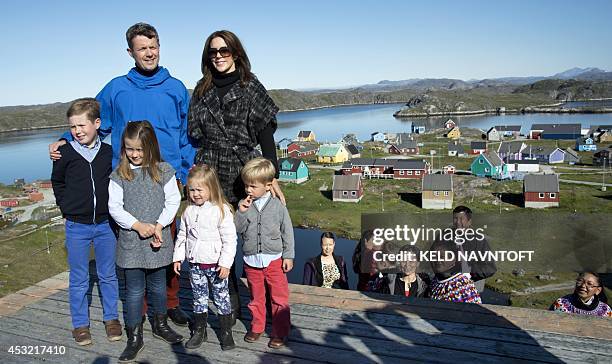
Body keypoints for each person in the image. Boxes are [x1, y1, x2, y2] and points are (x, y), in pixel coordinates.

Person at [49, 22, 193, 327]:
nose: (149, 53)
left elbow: (185, 135)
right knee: (131, 245)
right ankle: (137, 308)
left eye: (153, 46)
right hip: (128, 180)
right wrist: (65, 137)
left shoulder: (176, 88)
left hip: (167, 178)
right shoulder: (117, 88)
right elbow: (92, 120)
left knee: (165, 241)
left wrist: (186, 170)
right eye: (142, 48)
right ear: (131, 52)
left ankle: (170, 304)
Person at [188, 29, 285, 322]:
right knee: (216, 242)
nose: (218, 56)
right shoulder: (201, 89)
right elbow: (194, 133)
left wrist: (272, 176)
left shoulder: (250, 85)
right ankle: (229, 306)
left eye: (224, 51)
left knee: (254, 240)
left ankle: (266, 305)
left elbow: (265, 131)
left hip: (244, 171)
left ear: (236, 53)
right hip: (210, 174)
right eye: (213, 52)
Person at [108, 121, 183, 362]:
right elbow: (114, 208)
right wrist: (138, 225)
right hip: (131, 241)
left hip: (157, 240)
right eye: (130, 149)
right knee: (134, 291)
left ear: (151, 147)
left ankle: (160, 325)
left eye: (140, 149)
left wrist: (159, 225)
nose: (135, 154)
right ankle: (134, 335)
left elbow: (173, 201)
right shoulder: (119, 175)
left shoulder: (164, 170)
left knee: (159, 286)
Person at [50, 98, 121, 346]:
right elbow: (58, 182)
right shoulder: (64, 153)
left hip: (105, 225)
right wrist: (65, 206)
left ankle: (111, 319)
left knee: (108, 275)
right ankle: (80, 324)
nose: (77, 131)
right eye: (72, 126)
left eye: (82, 125)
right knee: (79, 277)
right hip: (76, 226)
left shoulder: (108, 153)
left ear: (97, 123)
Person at [172, 165, 237, 350]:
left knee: (221, 297)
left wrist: (225, 263)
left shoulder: (221, 210)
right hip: (195, 265)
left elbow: (230, 240)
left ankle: (225, 332)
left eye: (200, 189)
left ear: (211, 188)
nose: (195, 194)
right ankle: (200, 330)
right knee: (199, 298)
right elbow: (183, 236)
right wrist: (178, 257)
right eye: (191, 190)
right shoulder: (188, 212)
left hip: (216, 266)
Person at [235, 158, 294, 349]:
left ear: (268, 185)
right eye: (246, 185)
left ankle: (280, 331)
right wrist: (241, 213)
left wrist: (288, 255)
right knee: (256, 298)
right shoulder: (245, 205)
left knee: (279, 298)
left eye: (253, 186)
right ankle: (257, 326)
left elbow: (287, 232)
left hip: (274, 261)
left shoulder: (278, 207)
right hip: (251, 261)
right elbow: (238, 229)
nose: (248, 190)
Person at [451, 206, 497, 293]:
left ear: (469, 221)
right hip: (449, 289)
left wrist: (469, 273)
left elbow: (490, 268)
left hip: (472, 290)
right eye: (455, 218)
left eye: (461, 219)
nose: (458, 222)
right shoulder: (445, 237)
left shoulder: (479, 241)